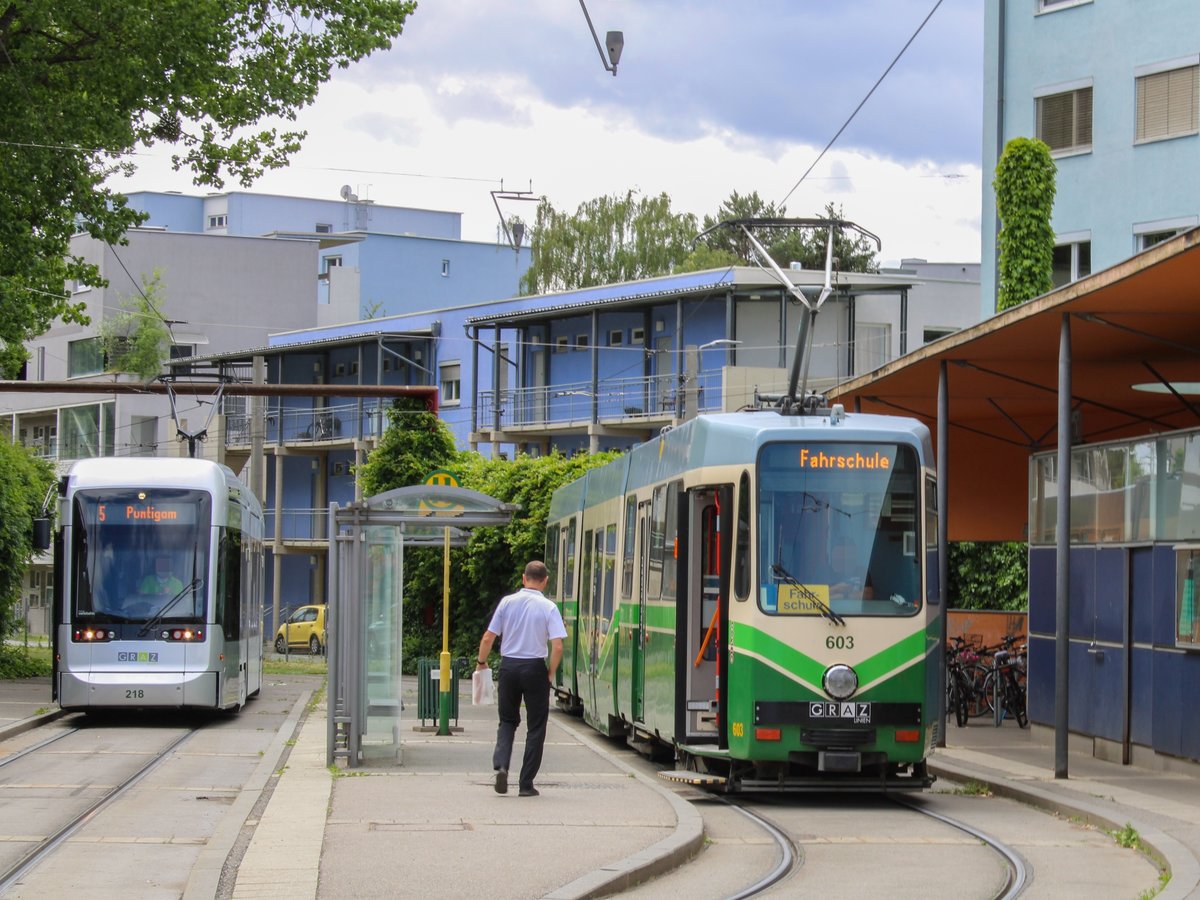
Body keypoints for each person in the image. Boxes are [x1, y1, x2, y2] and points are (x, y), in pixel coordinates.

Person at [476, 560, 567, 798]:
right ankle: (526, 784)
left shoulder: (507, 603)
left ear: (523, 578)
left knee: (507, 721)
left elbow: (488, 637)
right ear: (545, 581)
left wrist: (481, 662)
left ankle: (502, 765)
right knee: (536, 727)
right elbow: (557, 646)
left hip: (509, 667)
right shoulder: (549, 607)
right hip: (534, 668)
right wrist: (550, 673)